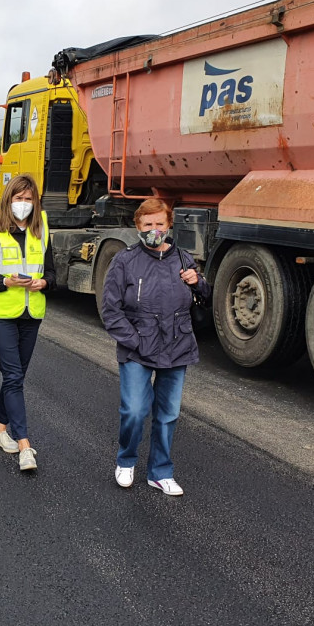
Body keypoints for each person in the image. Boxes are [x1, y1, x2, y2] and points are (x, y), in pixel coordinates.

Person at [99, 198, 210, 495]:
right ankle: (126, 460)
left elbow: (204, 297)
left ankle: (160, 472)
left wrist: (197, 281)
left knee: (168, 414)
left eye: (160, 223)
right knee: (134, 410)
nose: (154, 229)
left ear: (169, 224)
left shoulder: (184, 259)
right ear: (138, 226)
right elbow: (110, 310)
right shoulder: (124, 261)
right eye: (148, 224)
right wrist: (134, 341)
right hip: (137, 348)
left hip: (177, 346)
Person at [0, 174, 54, 472]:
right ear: (8, 200)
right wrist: (5, 281)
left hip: (31, 314)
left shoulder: (41, 230)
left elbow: (53, 276)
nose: (23, 204)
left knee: (14, 377)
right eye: (18, 198)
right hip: (0, 313)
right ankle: (24, 444)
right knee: (14, 375)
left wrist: (43, 282)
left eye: (28, 199)